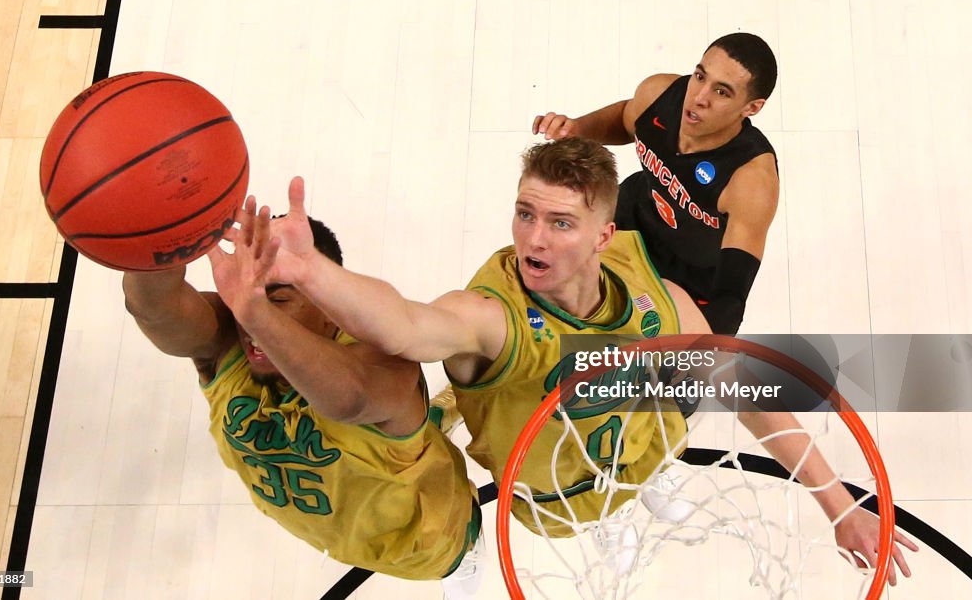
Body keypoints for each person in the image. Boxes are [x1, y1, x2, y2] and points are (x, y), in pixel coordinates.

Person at [253, 138, 916, 584]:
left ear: (605, 234)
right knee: (595, 510)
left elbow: (741, 386)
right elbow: (406, 324)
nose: (534, 239)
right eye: (524, 214)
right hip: (555, 494)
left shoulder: (655, 292)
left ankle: (637, 493)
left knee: (668, 416)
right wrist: (311, 274)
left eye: (560, 223)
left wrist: (838, 505)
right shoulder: (494, 318)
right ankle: (608, 517)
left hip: (639, 441)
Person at [121, 204, 483, 597]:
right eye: (242, 299)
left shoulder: (383, 360)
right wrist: (163, 232)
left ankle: (430, 435)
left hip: (434, 545)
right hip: (336, 519)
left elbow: (351, 399)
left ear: (330, 309)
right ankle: (429, 422)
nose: (247, 321)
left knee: (460, 575)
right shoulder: (228, 340)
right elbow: (153, 309)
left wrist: (253, 309)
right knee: (397, 441)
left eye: (276, 299)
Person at [533, 32, 779, 334]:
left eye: (722, 92)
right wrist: (579, 128)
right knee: (560, 302)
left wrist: (705, 352)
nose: (699, 97)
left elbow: (730, 295)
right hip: (631, 220)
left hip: (689, 275)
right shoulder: (658, 94)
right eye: (700, 76)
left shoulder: (751, 180)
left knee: (647, 357)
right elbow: (626, 117)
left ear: (751, 108)